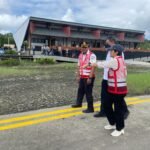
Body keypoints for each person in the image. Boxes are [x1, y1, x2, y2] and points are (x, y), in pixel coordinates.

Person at [93, 44, 128, 137]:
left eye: (111, 50)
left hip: (119, 91)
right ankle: (112, 123)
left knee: (118, 110)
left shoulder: (115, 60)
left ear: (116, 52)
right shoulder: (120, 60)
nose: (109, 52)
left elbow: (103, 64)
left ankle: (120, 128)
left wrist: (91, 63)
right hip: (114, 89)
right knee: (106, 105)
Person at [94, 37, 129, 119]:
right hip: (106, 77)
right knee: (104, 96)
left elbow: (121, 66)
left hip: (113, 80)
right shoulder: (110, 52)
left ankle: (125, 111)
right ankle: (103, 111)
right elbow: (106, 64)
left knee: (117, 98)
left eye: (108, 43)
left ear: (112, 41)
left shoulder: (119, 53)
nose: (107, 46)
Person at [72, 42, 97, 113]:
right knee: (80, 90)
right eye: (82, 47)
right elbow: (78, 65)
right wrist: (78, 75)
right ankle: (78, 103)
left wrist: (90, 77)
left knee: (88, 92)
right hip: (82, 76)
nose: (83, 49)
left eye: (85, 47)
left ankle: (90, 108)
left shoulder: (92, 55)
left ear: (88, 47)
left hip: (88, 76)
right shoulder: (80, 55)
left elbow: (93, 66)